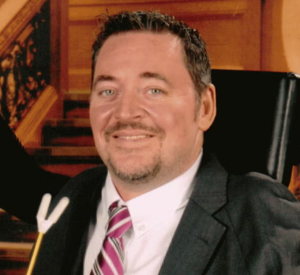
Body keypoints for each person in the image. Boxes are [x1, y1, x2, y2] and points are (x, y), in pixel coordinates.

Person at [12, 11, 300, 274]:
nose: (124, 112)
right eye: (108, 90)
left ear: (205, 108)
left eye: (154, 90)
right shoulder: (75, 196)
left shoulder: (262, 216)